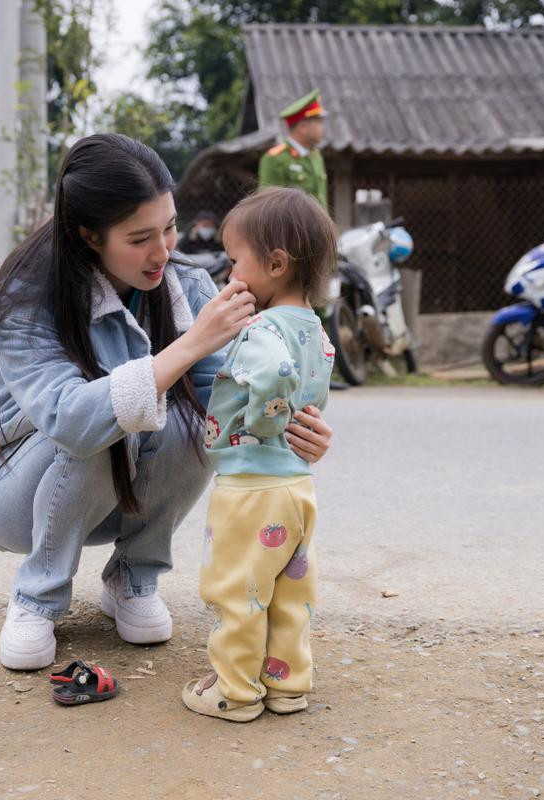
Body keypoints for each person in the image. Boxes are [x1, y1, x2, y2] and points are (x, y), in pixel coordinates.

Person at [0, 134, 333, 671]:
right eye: (139, 238)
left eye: (169, 227)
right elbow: (72, 422)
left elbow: (228, 408)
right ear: (90, 235)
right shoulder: (28, 300)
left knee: (191, 422)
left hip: (116, 495)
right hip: (12, 493)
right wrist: (190, 345)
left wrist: (297, 431)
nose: (162, 251)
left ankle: (133, 579)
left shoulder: (187, 284)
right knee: (105, 423)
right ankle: (36, 599)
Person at [181, 187, 339, 722]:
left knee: (238, 590)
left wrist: (262, 419)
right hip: (296, 488)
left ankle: (235, 692)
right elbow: (312, 397)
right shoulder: (317, 331)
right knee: (288, 593)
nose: (230, 277)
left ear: (275, 263)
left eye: (234, 262)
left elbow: (274, 375)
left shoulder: (262, 329)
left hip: (250, 488)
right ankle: (288, 684)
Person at [258, 89, 329, 210]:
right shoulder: (275, 159)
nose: (323, 127)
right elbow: (268, 208)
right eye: (318, 122)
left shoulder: (316, 156)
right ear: (303, 127)